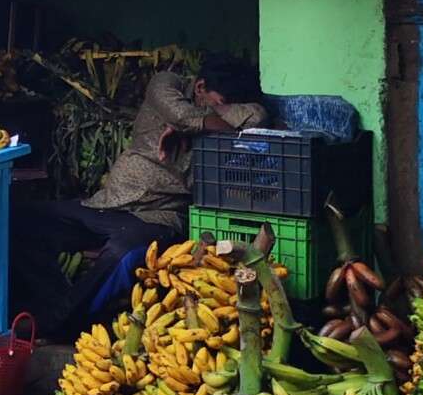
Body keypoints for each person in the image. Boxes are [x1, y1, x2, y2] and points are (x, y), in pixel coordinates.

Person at [14, 53, 268, 338]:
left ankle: (55, 325)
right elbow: (181, 115)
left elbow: (256, 115)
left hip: (160, 215)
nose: (219, 112)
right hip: (109, 203)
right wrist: (201, 123)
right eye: (217, 104)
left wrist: (199, 122)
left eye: (224, 110)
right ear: (199, 87)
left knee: (123, 253)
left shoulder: (226, 107)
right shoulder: (165, 83)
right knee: (19, 220)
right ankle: (62, 306)